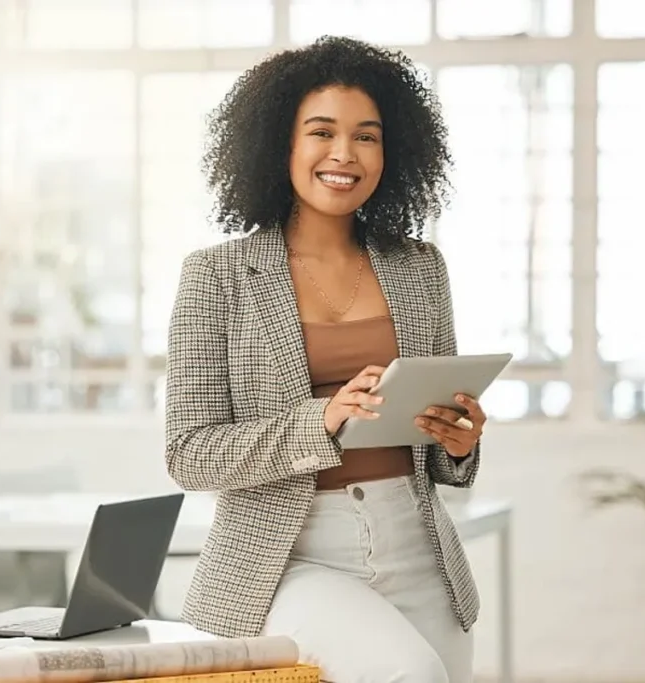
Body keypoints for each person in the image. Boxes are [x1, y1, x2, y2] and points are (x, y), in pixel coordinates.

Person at [163, 36, 488, 683]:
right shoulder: (216, 275)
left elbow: (448, 460)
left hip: (417, 543)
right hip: (291, 555)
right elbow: (189, 452)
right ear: (280, 143)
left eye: (366, 136)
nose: (344, 154)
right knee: (409, 673)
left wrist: (460, 438)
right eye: (321, 132)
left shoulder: (421, 268)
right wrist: (323, 419)